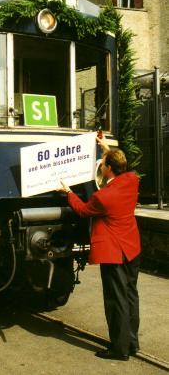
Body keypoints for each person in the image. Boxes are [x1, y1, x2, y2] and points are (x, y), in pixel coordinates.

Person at [57, 135, 141, 361]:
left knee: (116, 300)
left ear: (109, 169)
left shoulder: (104, 196)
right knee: (131, 295)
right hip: (132, 249)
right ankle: (131, 342)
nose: (101, 165)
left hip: (114, 252)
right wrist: (106, 147)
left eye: (103, 163)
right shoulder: (132, 180)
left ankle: (119, 349)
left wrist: (68, 193)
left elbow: (83, 210)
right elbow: (127, 163)